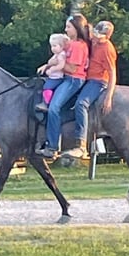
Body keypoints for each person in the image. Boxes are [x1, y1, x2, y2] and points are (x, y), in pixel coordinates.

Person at [34, 13, 91, 158]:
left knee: (54, 108)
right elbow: (57, 58)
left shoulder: (79, 46)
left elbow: (72, 69)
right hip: (65, 78)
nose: (66, 30)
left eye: (69, 27)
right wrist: (48, 65)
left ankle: (52, 146)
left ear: (77, 28)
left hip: (74, 80)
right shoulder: (70, 45)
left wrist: (56, 65)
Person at [62, 20, 117, 159]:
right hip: (86, 78)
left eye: (100, 36)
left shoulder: (108, 49)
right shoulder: (93, 39)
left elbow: (112, 73)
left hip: (98, 81)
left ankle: (81, 145)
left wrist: (109, 96)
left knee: (81, 104)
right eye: (95, 34)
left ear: (107, 36)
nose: (96, 38)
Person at [34, 33, 70, 111]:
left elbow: (61, 66)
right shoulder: (56, 55)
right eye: (51, 46)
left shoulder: (61, 56)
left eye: (55, 46)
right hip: (53, 76)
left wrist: (52, 70)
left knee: (47, 87)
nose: (52, 48)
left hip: (57, 77)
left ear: (61, 46)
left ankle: (46, 103)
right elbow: (50, 62)